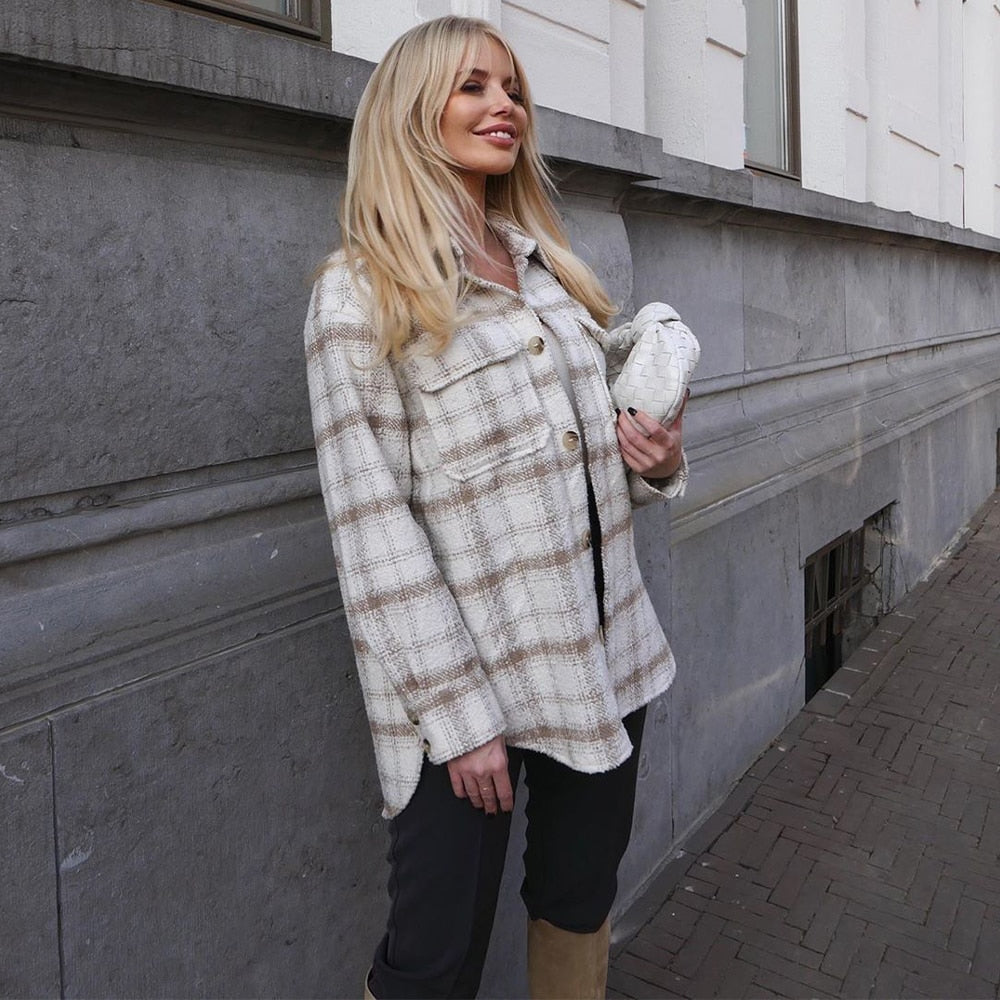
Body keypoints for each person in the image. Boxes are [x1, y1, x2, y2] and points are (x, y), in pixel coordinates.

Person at [304, 15, 689, 999]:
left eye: (511, 88)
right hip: (464, 687)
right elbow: (371, 527)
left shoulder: (550, 270)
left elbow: (589, 459)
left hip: (603, 655)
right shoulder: (361, 294)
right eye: (473, 85)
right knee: (432, 958)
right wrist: (460, 716)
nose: (503, 105)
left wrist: (655, 459)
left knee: (578, 897)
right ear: (411, 110)